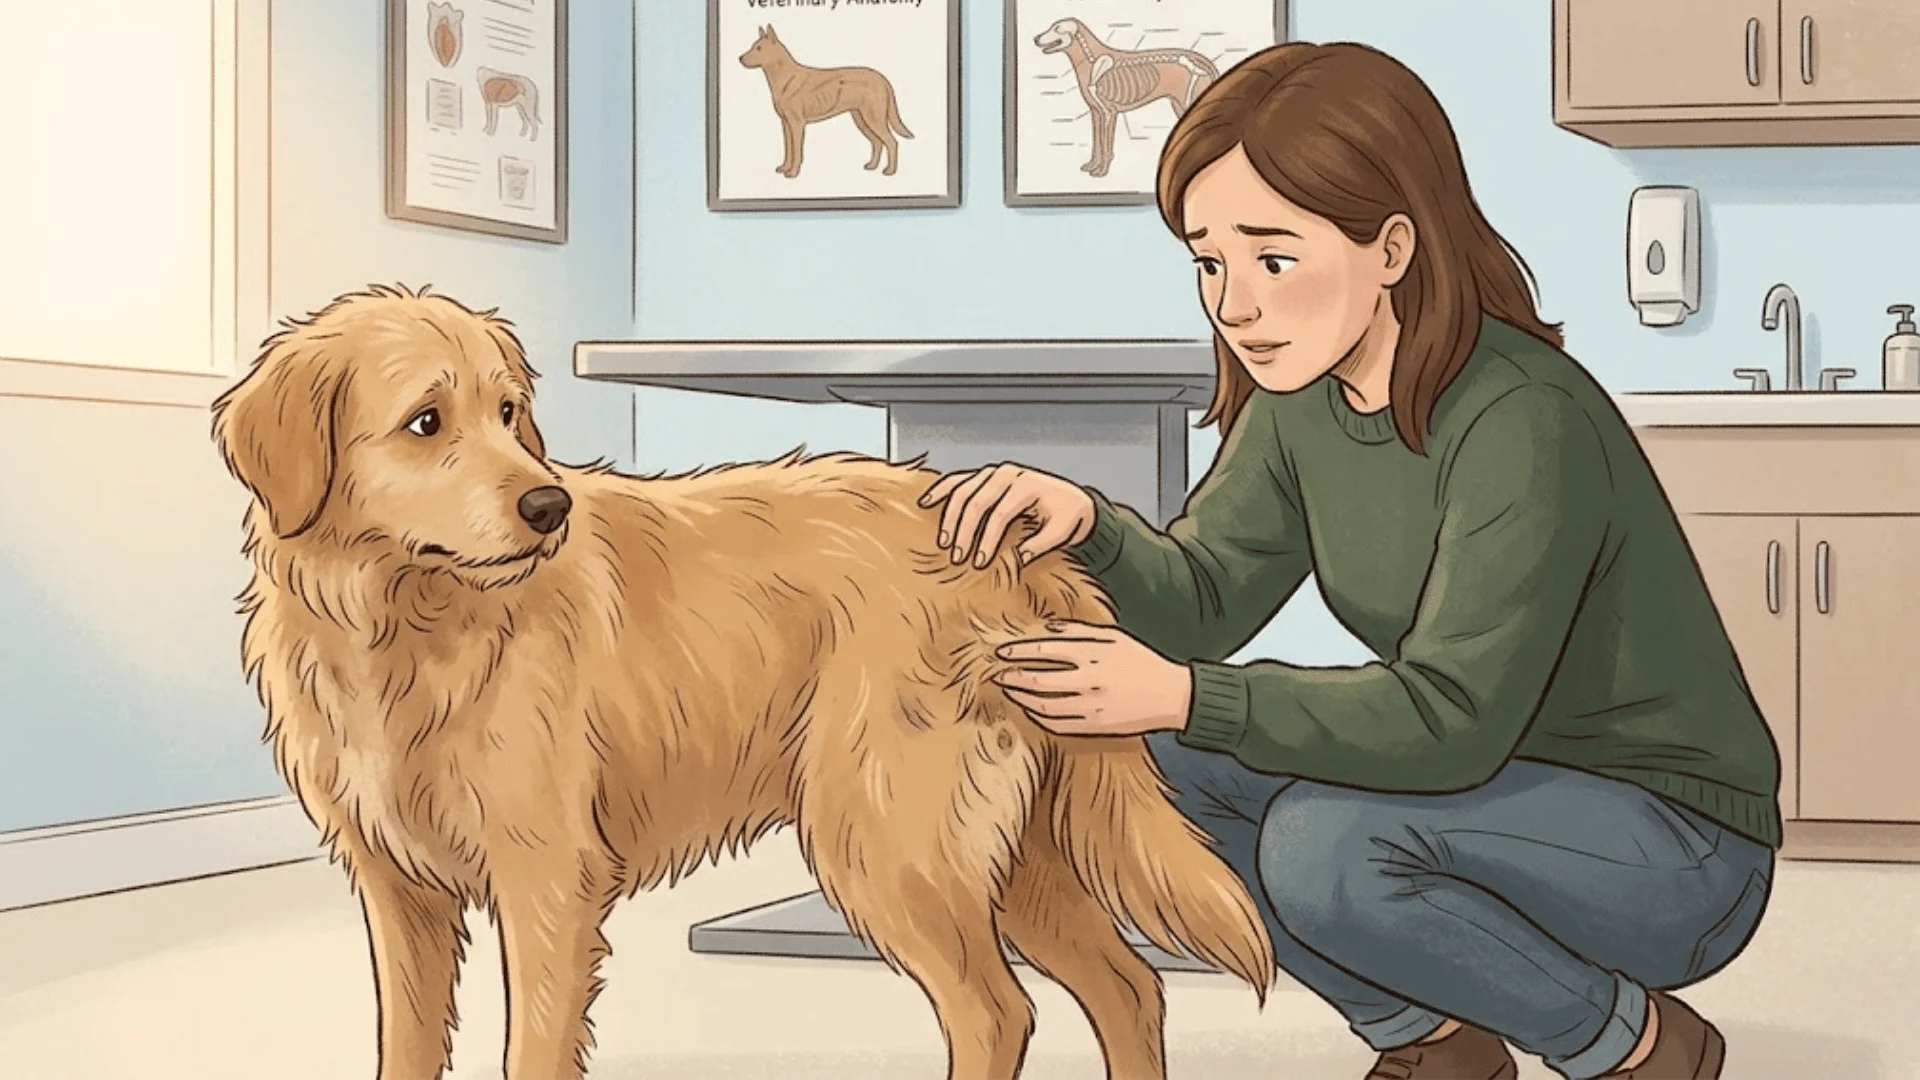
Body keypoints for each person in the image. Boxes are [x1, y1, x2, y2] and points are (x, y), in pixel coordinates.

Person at [918, 41, 1779, 1080]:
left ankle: (1635, 1046)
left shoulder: (1523, 418)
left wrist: (1189, 696)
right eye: (1209, 261)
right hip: (1495, 792)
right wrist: (1088, 525)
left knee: (1323, 848)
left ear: (1394, 247)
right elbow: (1202, 603)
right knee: (1146, 765)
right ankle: (1435, 1042)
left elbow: (1450, 723)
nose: (1234, 305)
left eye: (1274, 258)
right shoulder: (1300, 409)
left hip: (1672, 846)